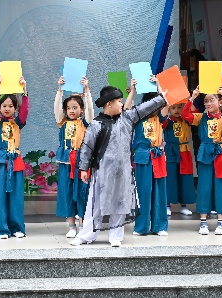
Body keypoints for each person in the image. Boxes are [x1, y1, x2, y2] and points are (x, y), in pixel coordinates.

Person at [70, 78, 167, 248]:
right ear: (109, 104)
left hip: (123, 171)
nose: (122, 104)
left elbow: (143, 108)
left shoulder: (127, 118)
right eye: (119, 101)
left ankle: (116, 236)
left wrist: (161, 97)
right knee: (95, 204)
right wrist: (83, 168)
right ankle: (86, 235)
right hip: (102, 171)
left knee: (120, 203)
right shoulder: (96, 124)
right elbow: (87, 147)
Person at [182, 86, 222, 235]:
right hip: (206, 153)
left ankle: (220, 223)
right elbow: (185, 115)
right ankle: (203, 222)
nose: (208, 103)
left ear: (220, 103)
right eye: (206, 101)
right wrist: (192, 98)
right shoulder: (201, 117)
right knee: (204, 187)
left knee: (221, 186)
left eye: (212, 100)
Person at [0, 75, 29, 239]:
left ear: (15, 108)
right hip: (0, 161)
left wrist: (24, 91)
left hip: (15, 161)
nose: (7, 108)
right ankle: (1, 229)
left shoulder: (18, 123)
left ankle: (16, 227)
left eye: (11, 106)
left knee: (16, 197)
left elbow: (24, 111)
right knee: (0, 196)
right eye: (4, 105)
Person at [126, 82, 169, 237]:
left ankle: (160, 226)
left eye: (156, 105)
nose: (153, 108)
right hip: (143, 156)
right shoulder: (137, 118)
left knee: (159, 192)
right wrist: (133, 91)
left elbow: (166, 101)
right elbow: (126, 110)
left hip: (158, 156)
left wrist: (158, 85)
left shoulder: (160, 118)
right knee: (143, 192)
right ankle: (141, 227)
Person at [54, 76, 93, 238]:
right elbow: (57, 109)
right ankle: (71, 226)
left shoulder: (86, 123)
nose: (71, 110)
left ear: (81, 109)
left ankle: (83, 224)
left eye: (75, 107)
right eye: (68, 108)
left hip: (81, 162)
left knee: (82, 192)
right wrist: (59, 90)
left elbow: (90, 111)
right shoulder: (62, 122)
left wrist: (87, 90)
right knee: (67, 192)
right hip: (66, 161)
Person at [161, 102, 196, 217]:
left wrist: (189, 99)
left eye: (179, 107)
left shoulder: (186, 119)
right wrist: (166, 103)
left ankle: (184, 205)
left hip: (184, 151)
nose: (176, 110)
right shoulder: (167, 121)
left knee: (185, 178)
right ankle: (167, 205)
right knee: (170, 178)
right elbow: (161, 119)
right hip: (170, 151)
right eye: (173, 108)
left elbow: (194, 111)